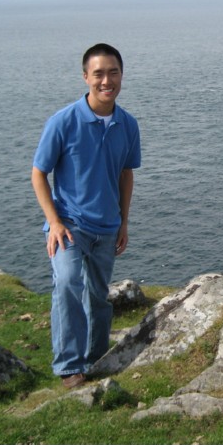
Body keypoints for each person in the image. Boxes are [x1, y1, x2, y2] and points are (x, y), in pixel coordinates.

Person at [31, 43, 141, 389]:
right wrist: (55, 221)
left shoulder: (128, 124)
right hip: (69, 226)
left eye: (113, 72)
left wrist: (124, 221)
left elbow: (126, 173)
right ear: (85, 77)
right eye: (99, 74)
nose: (106, 80)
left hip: (107, 227)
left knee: (96, 295)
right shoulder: (63, 121)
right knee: (66, 284)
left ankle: (95, 357)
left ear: (121, 76)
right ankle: (68, 366)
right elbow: (38, 173)